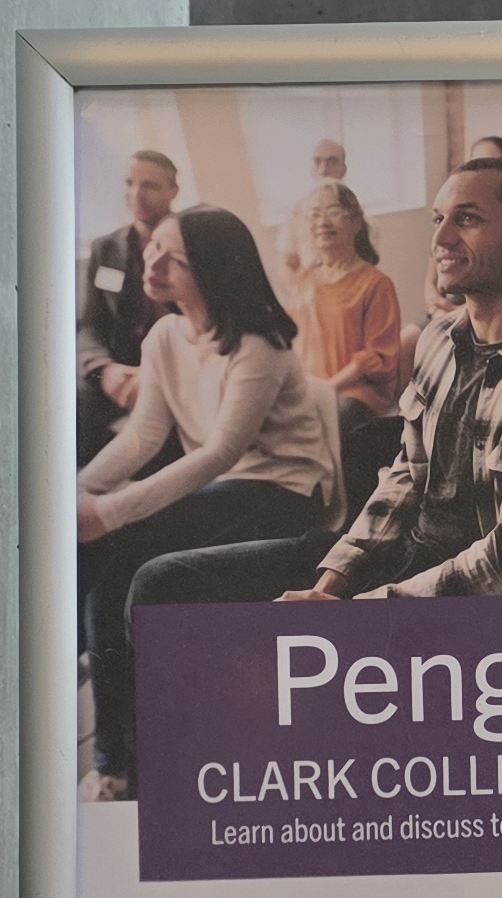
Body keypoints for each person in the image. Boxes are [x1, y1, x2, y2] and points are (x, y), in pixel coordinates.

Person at [284, 156, 502, 601]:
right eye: (438, 219)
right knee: (202, 572)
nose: (441, 239)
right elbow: (406, 476)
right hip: (409, 562)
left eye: (466, 219)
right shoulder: (437, 340)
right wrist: (333, 582)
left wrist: (361, 610)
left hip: (501, 610)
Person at [72, 205, 339, 796]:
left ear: (212, 273)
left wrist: (108, 511)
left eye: (174, 259)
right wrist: (80, 489)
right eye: (155, 248)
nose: (153, 263)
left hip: (283, 490)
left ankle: (122, 760)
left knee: (124, 547)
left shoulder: (258, 347)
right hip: (223, 487)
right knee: (103, 564)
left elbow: (219, 453)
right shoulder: (166, 335)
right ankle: (114, 747)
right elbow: (144, 436)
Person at [291, 180, 405, 490]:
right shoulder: (304, 279)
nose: (322, 222)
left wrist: (327, 389)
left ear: (355, 222)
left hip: (356, 393)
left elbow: (378, 357)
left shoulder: (376, 283)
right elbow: (291, 341)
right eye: (315, 214)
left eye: (332, 212)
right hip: (312, 390)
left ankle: (338, 509)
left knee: (333, 423)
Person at [77, 146, 181, 460]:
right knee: (74, 402)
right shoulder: (105, 249)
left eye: (149, 185)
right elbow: (90, 325)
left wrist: (151, 376)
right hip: (121, 370)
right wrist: (105, 369)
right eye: (129, 183)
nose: (136, 194)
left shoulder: (190, 242)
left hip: (177, 367)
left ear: (173, 190)